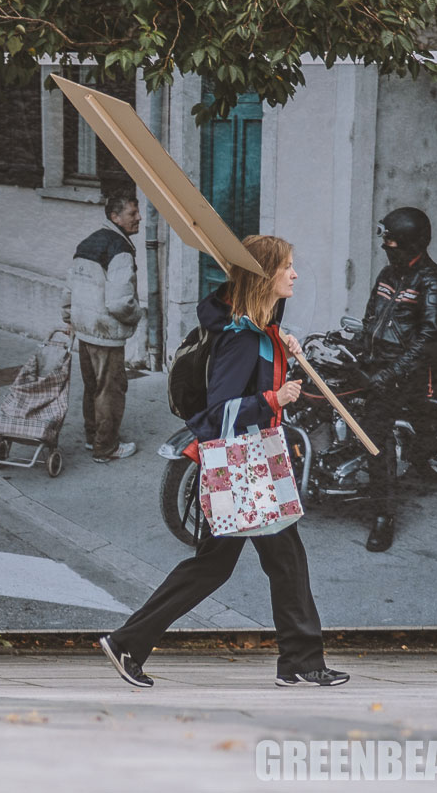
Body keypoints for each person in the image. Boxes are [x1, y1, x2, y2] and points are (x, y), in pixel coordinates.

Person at [98, 236, 349, 690]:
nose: (294, 274)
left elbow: (255, 350)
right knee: (233, 565)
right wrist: (275, 395)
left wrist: (278, 342)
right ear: (263, 277)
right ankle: (129, 643)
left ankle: (299, 661)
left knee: (270, 560)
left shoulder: (256, 330)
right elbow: (219, 413)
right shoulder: (240, 340)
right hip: (243, 465)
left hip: (254, 461)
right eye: (286, 268)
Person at [354, 206, 437, 552]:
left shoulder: (433, 282)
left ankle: (383, 516)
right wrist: (351, 349)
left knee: (373, 429)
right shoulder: (387, 274)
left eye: (392, 242)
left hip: (407, 371)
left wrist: (392, 372)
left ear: (412, 244)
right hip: (377, 363)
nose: (386, 246)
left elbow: (429, 339)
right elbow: (370, 318)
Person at [63, 189, 146, 463]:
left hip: (85, 330)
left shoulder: (87, 242)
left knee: (92, 387)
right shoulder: (119, 249)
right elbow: (120, 303)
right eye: (132, 214)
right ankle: (106, 447)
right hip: (105, 334)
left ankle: (93, 438)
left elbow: (69, 288)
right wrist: (138, 315)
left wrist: (69, 319)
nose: (139, 219)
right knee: (109, 390)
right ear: (115, 217)